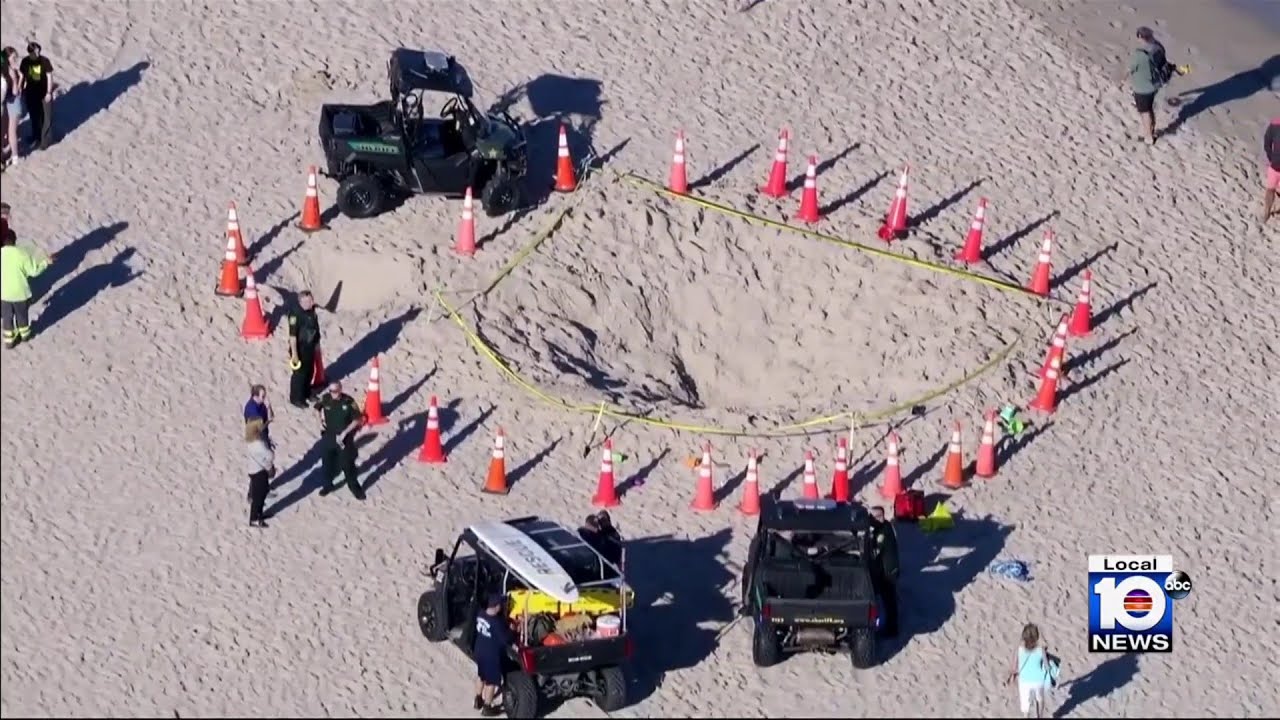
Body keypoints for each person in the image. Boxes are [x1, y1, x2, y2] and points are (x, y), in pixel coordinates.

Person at [1128, 27, 1186, 145]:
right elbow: (1163, 62)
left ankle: (1148, 137)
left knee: (1145, 112)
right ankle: (1151, 130)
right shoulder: (1159, 47)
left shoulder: (1140, 54)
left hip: (1142, 87)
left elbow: (1130, 69)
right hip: (1155, 85)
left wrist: (1120, 79)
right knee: (1149, 109)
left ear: (1140, 37)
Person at [0, 225, 52, 348]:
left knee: (7, 317)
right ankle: (25, 335)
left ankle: (9, 340)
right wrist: (45, 263)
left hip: (4, 294)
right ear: (15, 241)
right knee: (21, 316)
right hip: (20, 294)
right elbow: (33, 271)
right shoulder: (22, 255)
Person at [312, 380, 366, 500]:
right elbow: (316, 408)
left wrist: (345, 432)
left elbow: (357, 419)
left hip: (344, 438)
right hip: (329, 435)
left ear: (340, 389)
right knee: (327, 463)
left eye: (335, 391)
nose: (333, 393)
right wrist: (319, 422)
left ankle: (354, 488)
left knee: (347, 464)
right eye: (331, 391)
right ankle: (327, 485)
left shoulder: (348, 401)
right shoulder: (326, 398)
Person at [472, 593, 513, 716]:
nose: (502, 606)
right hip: (490, 656)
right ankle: (487, 707)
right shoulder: (497, 623)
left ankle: (478, 699)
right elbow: (505, 640)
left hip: (479, 651)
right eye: (500, 604)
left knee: (481, 676)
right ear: (496, 606)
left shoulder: (481, 613)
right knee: (491, 682)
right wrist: (512, 630)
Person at [1006, 622, 1054, 718]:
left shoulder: (1019, 649)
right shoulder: (1041, 650)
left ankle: (1026, 716)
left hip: (1024, 681)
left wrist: (1012, 676)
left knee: (1025, 704)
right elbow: (1047, 666)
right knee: (1040, 699)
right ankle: (1039, 716)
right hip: (1038, 679)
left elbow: (1014, 668)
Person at [868, 506, 901, 638]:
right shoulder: (885, 527)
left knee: (888, 600)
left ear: (880, 517)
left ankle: (892, 629)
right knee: (888, 599)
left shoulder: (884, 531)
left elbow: (876, 551)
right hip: (887, 569)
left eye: (873, 518)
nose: (871, 520)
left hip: (888, 572)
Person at [286, 290, 322, 408]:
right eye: (308, 301)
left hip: (310, 346)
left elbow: (315, 327)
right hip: (299, 348)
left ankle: (306, 392)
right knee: (299, 374)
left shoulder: (312, 311)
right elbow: (292, 336)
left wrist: (317, 344)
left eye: (311, 300)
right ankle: (296, 398)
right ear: (301, 302)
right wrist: (294, 354)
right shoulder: (295, 314)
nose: (312, 303)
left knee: (309, 371)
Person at [18, 42, 53, 151]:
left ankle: (45, 140)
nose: (37, 53)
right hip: (31, 93)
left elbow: (49, 77)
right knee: (34, 116)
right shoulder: (25, 62)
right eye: (35, 51)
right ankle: (36, 136)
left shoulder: (44, 61)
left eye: (38, 50)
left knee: (46, 117)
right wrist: (20, 88)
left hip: (44, 92)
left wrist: (49, 92)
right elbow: (22, 77)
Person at [245, 419, 275, 528]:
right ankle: (254, 519)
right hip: (260, 471)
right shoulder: (259, 443)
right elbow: (270, 455)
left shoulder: (250, 441)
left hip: (253, 470)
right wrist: (270, 466)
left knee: (262, 492)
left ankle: (259, 514)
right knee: (259, 496)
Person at [2, 47, 22, 166]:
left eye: (16, 57)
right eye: (13, 57)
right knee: (6, 130)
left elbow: (15, 92)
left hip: (13, 104)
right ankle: (8, 151)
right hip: (8, 103)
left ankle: (14, 156)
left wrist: (17, 79)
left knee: (11, 132)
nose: (15, 60)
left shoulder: (11, 71)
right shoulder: (8, 70)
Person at [243, 384, 275, 448]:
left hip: (263, 436)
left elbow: (271, 416)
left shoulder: (262, 404)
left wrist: (269, 407)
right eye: (263, 396)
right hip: (255, 440)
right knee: (268, 454)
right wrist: (268, 421)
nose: (264, 398)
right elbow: (259, 428)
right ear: (256, 396)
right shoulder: (252, 409)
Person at [1262, 117, 1280, 223]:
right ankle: (1267, 212)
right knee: (1270, 190)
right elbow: (1267, 143)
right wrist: (1271, 158)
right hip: (1274, 167)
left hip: (1274, 165)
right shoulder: (1274, 125)